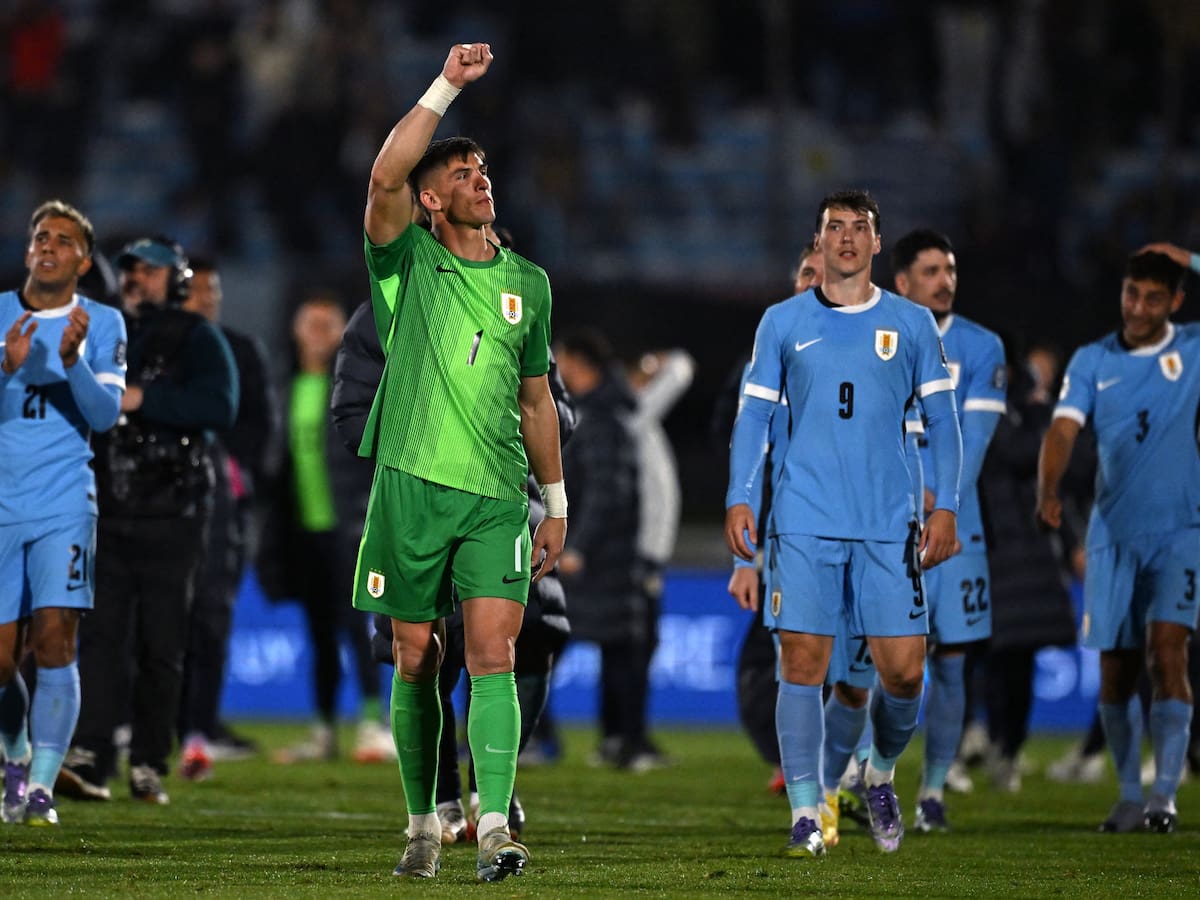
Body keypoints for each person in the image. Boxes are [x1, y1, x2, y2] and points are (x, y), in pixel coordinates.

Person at [354, 42, 566, 881]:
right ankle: (420, 824)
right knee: (417, 656)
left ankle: (492, 830)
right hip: (409, 485)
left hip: (493, 499)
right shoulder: (407, 261)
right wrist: (446, 86)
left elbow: (537, 399)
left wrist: (553, 499)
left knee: (494, 654)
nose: (480, 177)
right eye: (462, 172)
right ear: (431, 200)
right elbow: (382, 179)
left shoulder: (529, 283)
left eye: (483, 167)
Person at [726, 190, 963, 857]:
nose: (848, 237)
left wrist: (945, 503)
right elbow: (754, 421)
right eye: (835, 227)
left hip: (888, 525)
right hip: (803, 519)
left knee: (905, 674)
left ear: (877, 243)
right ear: (820, 240)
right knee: (802, 662)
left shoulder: (912, 325)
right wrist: (740, 498)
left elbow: (943, 422)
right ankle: (806, 809)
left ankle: (880, 773)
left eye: (860, 227)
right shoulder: (781, 322)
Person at [331, 267, 575, 846]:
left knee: (519, 644)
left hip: (500, 500)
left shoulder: (522, 296)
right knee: (419, 657)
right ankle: (436, 804)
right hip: (414, 503)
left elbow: (552, 408)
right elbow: (351, 413)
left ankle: (494, 803)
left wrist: (498, 433)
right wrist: (431, 443)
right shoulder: (390, 303)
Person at [58, 235, 238, 806]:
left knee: (162, 643)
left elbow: (219, 408)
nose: (136, 278)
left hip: (173, 514)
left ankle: (148, 760)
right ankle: (90, 753)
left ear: (177, 280)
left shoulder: (199, 337)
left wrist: (142, 399)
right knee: (101, 639)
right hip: (106, 509)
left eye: (150, 271)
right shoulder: (101, 330)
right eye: (131, 269)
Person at [1038, 247, 1200, 834]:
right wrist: (1048, 487)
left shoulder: (1192, 350)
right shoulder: (1091, 360)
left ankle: (1163, 796)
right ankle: (1129, 795)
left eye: (1153, 297)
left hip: (1181, 532)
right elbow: (1063, 428)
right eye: (1131, 293)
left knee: (1168, 651)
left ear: (1175, 302)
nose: (1137, 307)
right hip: (1112, 537)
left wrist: (1194, 257)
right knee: (1115, 670)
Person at [0, 200, 126, 826]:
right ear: (28, 251)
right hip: (0, 501)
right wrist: (5, 370)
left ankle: (42, 788)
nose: (47, 245)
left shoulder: (100, 322)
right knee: (1, 661)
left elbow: (104, 416)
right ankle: (16, 755)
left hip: (62, 503)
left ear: (82, 259)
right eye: (39, 236)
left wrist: (72, 362)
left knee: (55, 639)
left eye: (63, 239)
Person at [888, 228, 1006, 830]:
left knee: (954, 661)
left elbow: (977, 440)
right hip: (889, 524)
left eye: (950, 269)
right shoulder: (880, 339)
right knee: (884, 661)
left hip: (958, 531)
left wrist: (940, 498)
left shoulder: (984, 348)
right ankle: (871, 773)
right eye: (931, 270)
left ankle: (933, 790)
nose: (946, 280)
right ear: (903, 282)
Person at [256, 292, 392, 765]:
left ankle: (374, 723)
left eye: (327, 325)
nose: (319, 335)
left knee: (360, 627)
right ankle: (325, 728)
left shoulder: (356, 382)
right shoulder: (285, 384)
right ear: (296, 331)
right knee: (318, 633)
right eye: (310, 325)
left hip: (350, 525)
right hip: (303, 530)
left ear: (341, 333)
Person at [719, 242, 824, 794]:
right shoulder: (770, 352)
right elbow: (741, 445)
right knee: (787, 663)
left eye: (823, 274)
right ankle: (808, 788)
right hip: (791, 542)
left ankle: (865, 770)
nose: (813, 282)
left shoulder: (884, 344)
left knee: (880, 673)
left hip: (867, 532)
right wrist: (746, 557)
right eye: (806, 271)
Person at [177, 256, 280, 778]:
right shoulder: (160, 347)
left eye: (213, 289)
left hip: (225, 504)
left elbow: (262, 422)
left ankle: (203, 724)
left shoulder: (242, 350)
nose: (208, 298)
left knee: (213, 614)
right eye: (197, 290)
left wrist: (239, 471)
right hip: (166, 504)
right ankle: (153, 724)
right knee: (162, 616)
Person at [978, 341, 1080, 792]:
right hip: (994, 548)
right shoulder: (991, 416)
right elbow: (1021, 454)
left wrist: (1071, 541)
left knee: (1016, 658)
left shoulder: (1026, 415)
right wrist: (1044, 417)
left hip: (1028, 553)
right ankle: (983, 738)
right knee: (989, 656)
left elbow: (1061, 480)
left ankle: (1007, 746)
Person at [554, 329, 645, 770]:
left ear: (577, 362)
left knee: (546, 644)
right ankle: (618, 740)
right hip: (607, 556)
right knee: (616, 649)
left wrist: (579, 547)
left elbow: (606, 492)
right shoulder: (602, 412)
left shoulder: (601, 419)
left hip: (599, 558)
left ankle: (615, 740)